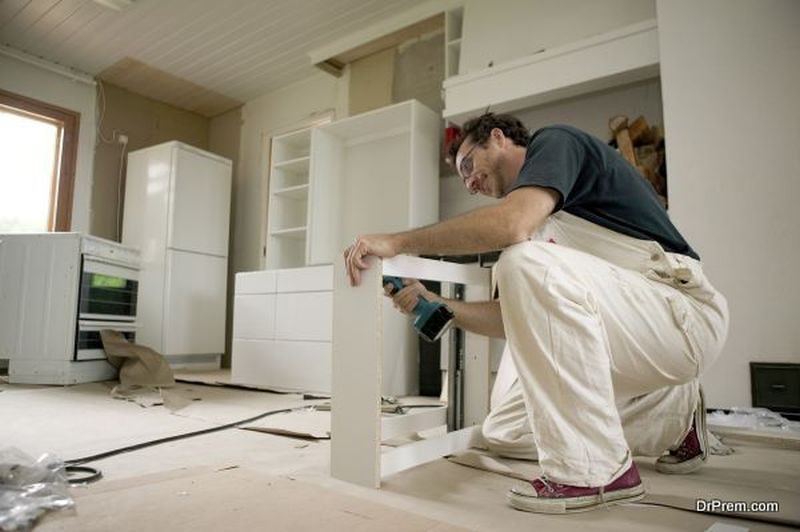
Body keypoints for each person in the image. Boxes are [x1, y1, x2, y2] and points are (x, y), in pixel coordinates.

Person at [343, 113, 729, 514]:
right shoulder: (541, 228)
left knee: (520, 261)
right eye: (463, 180)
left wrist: (397, 242)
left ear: (497, 138)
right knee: (503, 431)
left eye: (468, 166)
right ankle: (675, 416)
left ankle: (596, 470)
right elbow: (517, 315)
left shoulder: (556, 143)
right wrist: (444, 307)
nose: (470, 183)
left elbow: (512, 226)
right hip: (634, 335)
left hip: (682, 317)